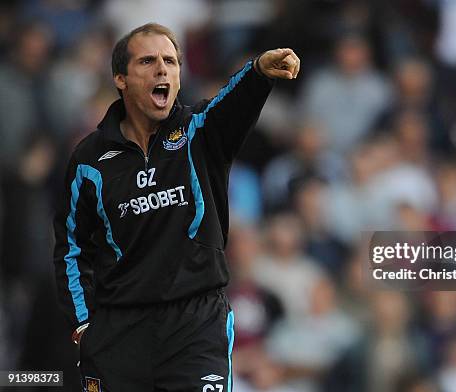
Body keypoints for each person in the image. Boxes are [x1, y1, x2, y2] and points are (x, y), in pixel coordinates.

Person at [52, 22, 299, 391]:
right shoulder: (89, 159)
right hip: (119, 334)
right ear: (120, 78)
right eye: (148, 61)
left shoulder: (200, 131)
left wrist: (259, 70)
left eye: (170, 61)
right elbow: (71, 249)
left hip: (196, 326)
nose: (162, 69)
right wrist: (84, 323)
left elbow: (232, 104)